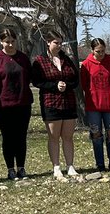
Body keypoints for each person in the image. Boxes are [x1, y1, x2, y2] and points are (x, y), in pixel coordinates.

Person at [0, 27, 33, 180]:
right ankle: (10, 169)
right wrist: (0, 92)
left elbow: (29, 76)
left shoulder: (23, 58)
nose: (10, 45)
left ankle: (21, 168)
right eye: (7, 42)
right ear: (1, 42)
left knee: (21, 136)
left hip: (23, 103)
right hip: (3, 105)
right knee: (8, 137)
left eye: (12, 41)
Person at [31, 32, 79, 178]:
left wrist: (67, 85)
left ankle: (70, 166)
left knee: (68, 137)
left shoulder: (67, 60)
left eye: (60, 43)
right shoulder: (40, 60)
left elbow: (75, 79)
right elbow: (37, 81)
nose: (58, 46)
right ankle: (56, 167)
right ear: (48, 42)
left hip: (68, 102)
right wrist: (54, 85)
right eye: (55, 43)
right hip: (51, 102)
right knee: (54, 136)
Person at [80, 37, 110, 172]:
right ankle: (100, 164)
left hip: (109, 105)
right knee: (96, 134)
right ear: (92, 51)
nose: (101, 54)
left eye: (103, 51)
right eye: (98, 51)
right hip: (93, 106)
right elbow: (84, 85)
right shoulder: (86, 64)